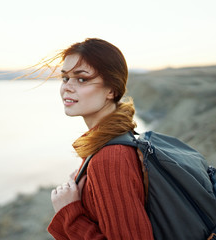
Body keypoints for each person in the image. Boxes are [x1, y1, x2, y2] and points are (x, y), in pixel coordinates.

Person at [46, 38, 154, 239]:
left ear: (111, 90)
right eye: (65, 78)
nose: (67, 87)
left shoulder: (111, 157)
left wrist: (70, 211)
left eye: (82, 79)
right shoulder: (116, 140)